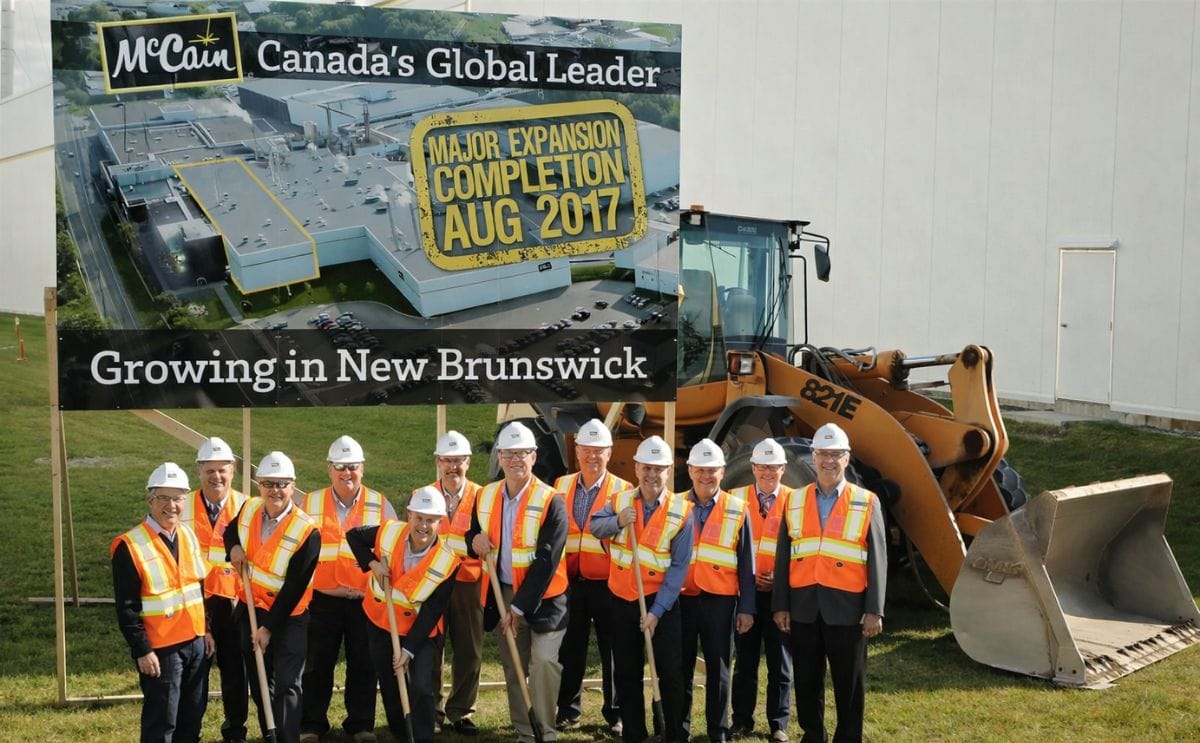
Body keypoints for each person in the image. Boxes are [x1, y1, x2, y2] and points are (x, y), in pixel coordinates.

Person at [772, 423, 887, 743]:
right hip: (804, 608)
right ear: (813, 457)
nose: (828, 461)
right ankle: (813, 736)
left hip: (847, 610)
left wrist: (874, 609)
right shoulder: (793, 500)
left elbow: (878, 558)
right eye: (823, 454)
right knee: (807, 681)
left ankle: (848, 738)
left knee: (849, 685)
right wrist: (781, 604)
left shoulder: (867, 501)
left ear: (846, 459)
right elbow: (785, 556)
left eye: (835, 454)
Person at [467, 421, 569, 743]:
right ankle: (526, 732)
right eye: (508, 454)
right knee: (514, 664)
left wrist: (519, 608)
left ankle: (546, 730)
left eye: (521, 453)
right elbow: (474, 531)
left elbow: (546, 562)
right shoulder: (485, 496)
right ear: (499, 457)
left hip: (546, 596)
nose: (514, 460)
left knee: (543, 663)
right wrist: (475, 541)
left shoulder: (551, 501)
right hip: (502, 590)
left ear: (534, 457)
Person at [589, 435, 693, 743]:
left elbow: (678, 568)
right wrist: (619, 521)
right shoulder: (620, 501)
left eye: (658, 469)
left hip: (661, 604)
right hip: (622, 599)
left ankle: (673, 734)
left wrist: (657, 612)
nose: (651, 475)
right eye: (646, 468)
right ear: (636, 468)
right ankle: (634, 735)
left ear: (669, 470)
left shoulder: (680, 511)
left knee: (671, 674)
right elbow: (596, 526)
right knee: (626, 673)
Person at [299, 435, 396, 743]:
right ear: (329, 469)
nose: (346, 473)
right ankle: (312, 725)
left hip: (365, 600)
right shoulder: (309, 503)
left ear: (362, 469)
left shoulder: (380, 504)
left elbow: (392, 549)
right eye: (340, 466)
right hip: (323, 599)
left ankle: (361, 724)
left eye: (352, 466)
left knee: (364, 663)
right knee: (316, 665)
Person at [346, 486, 461, 743]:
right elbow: (353, 536)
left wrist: (408, 651)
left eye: (430, 520)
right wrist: (373, 564)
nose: (423, 525)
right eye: (418, 517)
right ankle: (402, 733)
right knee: (389, 681)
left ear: (440, 523)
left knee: (420, 685)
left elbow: (432, 611)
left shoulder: (447, 562)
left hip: (420, 630)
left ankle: (420, 736)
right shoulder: (389, 531)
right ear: (408, 515)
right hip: (380, 621)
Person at [112, 462, 213, 743]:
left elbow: (198, 587)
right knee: (162, 723)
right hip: (161, 650)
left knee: (192, 718)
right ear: (150, 500)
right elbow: (126, 606)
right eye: (164, 498)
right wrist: (142, 650)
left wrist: (206, 629)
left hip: (195, 642)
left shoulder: (189, 535)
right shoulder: (129, 546)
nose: (172, 505)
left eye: (178, 498)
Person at [227, 451, 321, 743]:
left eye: (282, 484)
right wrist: (232, 548)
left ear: (293, 487)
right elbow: (230, 531)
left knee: (288, 684)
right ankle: (271, 733)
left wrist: (268, 628)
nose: (275, 490)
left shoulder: (307, 531)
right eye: (269, 483)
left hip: (289, 618)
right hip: (250, 608)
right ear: (259, 486)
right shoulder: (250, 508)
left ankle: (287, 738)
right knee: (259, 681)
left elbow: (295, 587)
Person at [554, 418, 631, 735]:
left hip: (609, 582)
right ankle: (567, 709)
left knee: (612, 649)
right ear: (578, 451)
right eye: (586, 450)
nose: (592, 457)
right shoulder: (561, 485)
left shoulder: (622, 490)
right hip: (570, 582)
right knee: (569, 648)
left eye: (598, 451)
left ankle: (615, 713)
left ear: (609, 453)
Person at [678, 438, 756, 743]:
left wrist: (747, 608)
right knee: (680, 669)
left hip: (720, 603)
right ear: (690, 470)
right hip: (681, 600)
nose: (706, 476)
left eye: (712, 470)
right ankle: (679, 729)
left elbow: (745, 563)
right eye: (700, 470)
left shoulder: (738, 509)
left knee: (720, 671)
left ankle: (718, 731)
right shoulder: (674, 505)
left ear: (723, 472)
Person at [183, 437, 251, 743]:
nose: (216, 476)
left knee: (235, 672)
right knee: (194, 673)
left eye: (222, 470)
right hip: (194, 602)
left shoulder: (248, 507)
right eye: (209, 470)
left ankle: (235, 730)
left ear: (233, 470)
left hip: (234, 603)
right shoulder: (182, 507)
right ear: (199, 471)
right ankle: (189, 733)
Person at [729, 438, 794, 742]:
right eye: (763, 466)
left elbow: (804, 550)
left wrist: (779, 579)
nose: (768, 472)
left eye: (774, 467)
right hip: (746, 593)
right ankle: (741, 720)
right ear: (753, 468)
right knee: (745, 661)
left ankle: (778, 723)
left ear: (784, 468)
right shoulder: (736, 499)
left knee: (780, 662)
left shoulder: (796, 501)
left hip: (780, 594)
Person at [425, 430, 484, 736]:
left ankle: (460, 711)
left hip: (468, 582)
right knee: (431, 648)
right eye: (447, 460)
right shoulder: (423, 495)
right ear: (438, 462)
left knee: (469, 650)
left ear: (468, 463)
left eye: (458, 460)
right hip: (432, 583)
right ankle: (432, 711)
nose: (452, 466)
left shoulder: (482, 497)